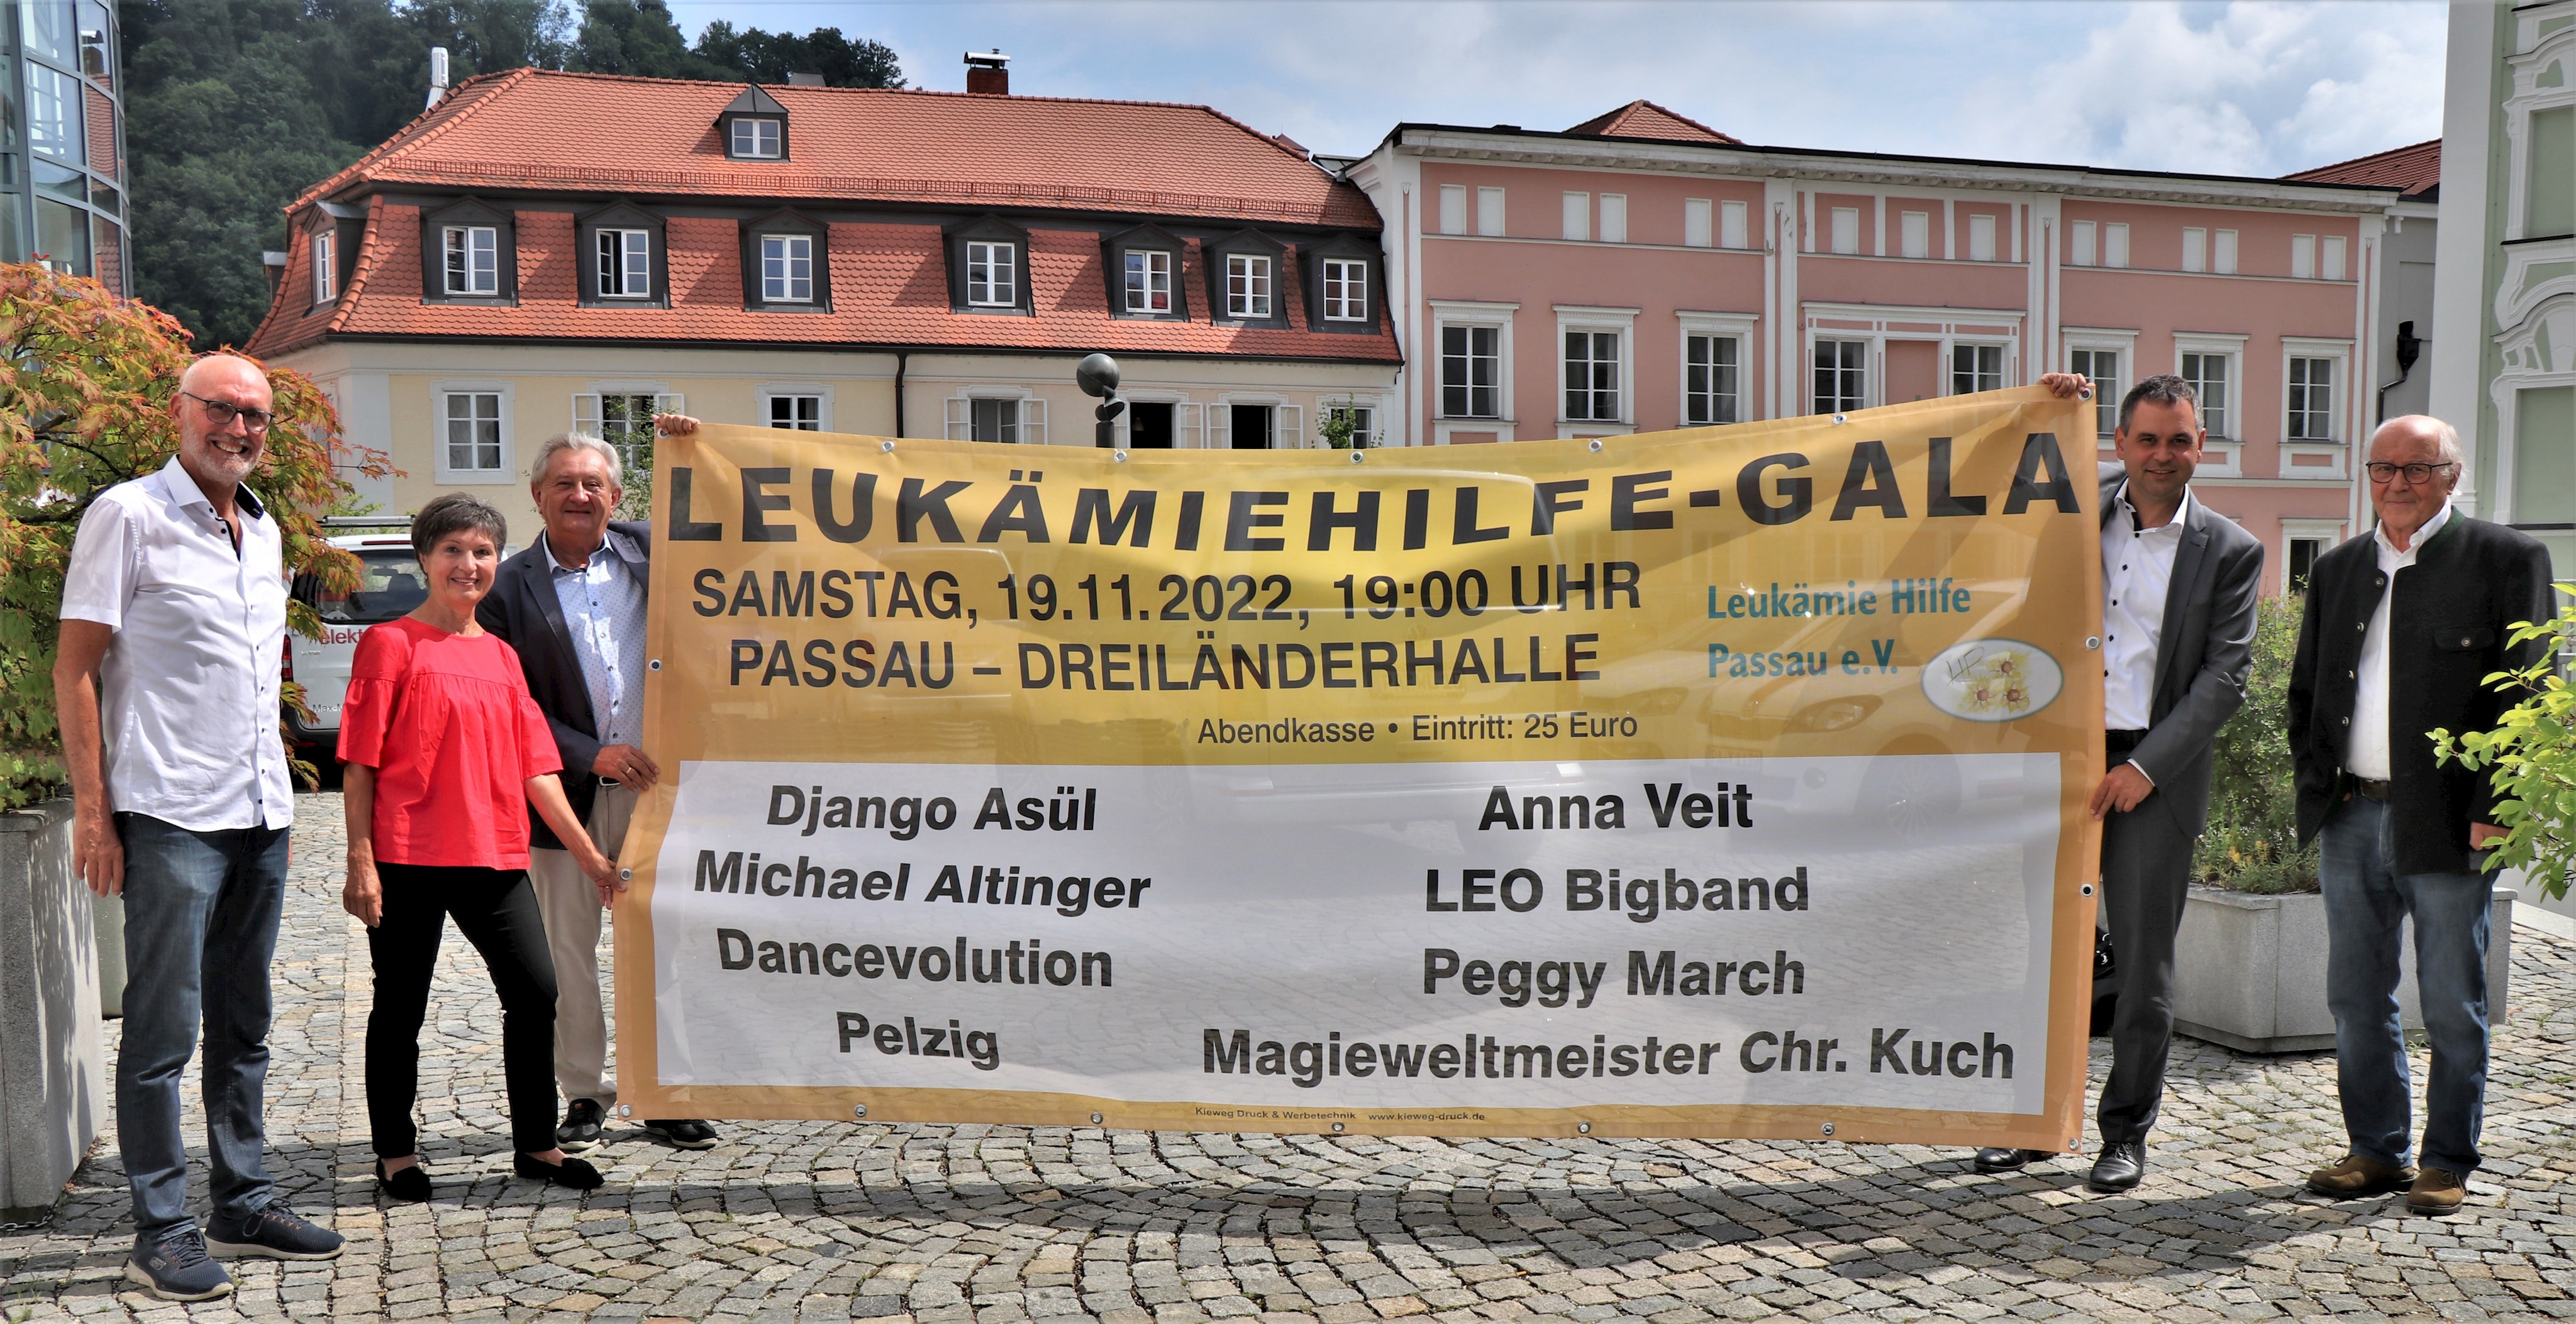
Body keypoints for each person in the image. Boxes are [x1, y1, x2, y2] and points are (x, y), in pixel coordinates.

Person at [53, 353, 347, 1301]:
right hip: (170, 811)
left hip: (259, 812)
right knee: (161, 1029)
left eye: (256, 417)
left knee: (246, 1021)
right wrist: (96, 816)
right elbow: (76, 669)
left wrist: (283, 805)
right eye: (222, 410)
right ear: (178, 412)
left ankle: (243, 1198)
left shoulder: (261, 531)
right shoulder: (128, 514)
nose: (240, 429)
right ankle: (161, 1226)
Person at [1974, 373, 2263, 1192]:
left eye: (2180, 440)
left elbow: (2225, 678)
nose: (2163, 454)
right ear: (2121, 443)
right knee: (2045, 951)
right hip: (2063, 754)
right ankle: (2031, 1122)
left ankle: (2124, 1131)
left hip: (2155, 769)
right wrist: (2056, 396)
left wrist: (2143, 768)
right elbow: (2006, 465)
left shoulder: (2232, 550)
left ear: (2201, 446)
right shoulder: (2076, 507)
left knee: (2142, 964)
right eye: (2147, 438)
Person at [2288, 416, 2556, 1215]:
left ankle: (2445, 1159)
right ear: (2366, 475)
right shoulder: (2338, 569)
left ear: (2452, 475)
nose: (2397, 482)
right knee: (2354, 995)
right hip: (2352, 816)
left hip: (2449, 822)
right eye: (2383, 468)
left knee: (2449, 1000)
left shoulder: (2507, 559)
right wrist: (2317, 784)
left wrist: (2495, 809)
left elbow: (2528, 692)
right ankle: (2375, 1150)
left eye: (2417, 467)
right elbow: (2306, 692)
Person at [339, 492, 625, 1200]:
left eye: (483, 552)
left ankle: (536, 1146)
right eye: (453, 551)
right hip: (407, 857)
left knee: (536, 993)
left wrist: (588, 855)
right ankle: (396, 1154)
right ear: (425, 559)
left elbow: (536, 768)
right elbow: (361, 763)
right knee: (400, 1007)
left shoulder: (501, 657)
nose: (469, 565)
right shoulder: (390, 644)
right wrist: (360, 860)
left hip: (495, 856)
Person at [478, 430, 719, 1154]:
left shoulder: (658, 553)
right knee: (567, 954)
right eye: (563, 484)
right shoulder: (509, 587)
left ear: (617, 497)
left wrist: (689, 443)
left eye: (592, 485)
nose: (579, 496)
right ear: (537, 496)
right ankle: (584, 1094)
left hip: (662, 793)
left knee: (662, 948)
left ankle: (664, 1093)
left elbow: (725, 517)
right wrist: (591, 754)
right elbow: (511, 701)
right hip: (564, 800)